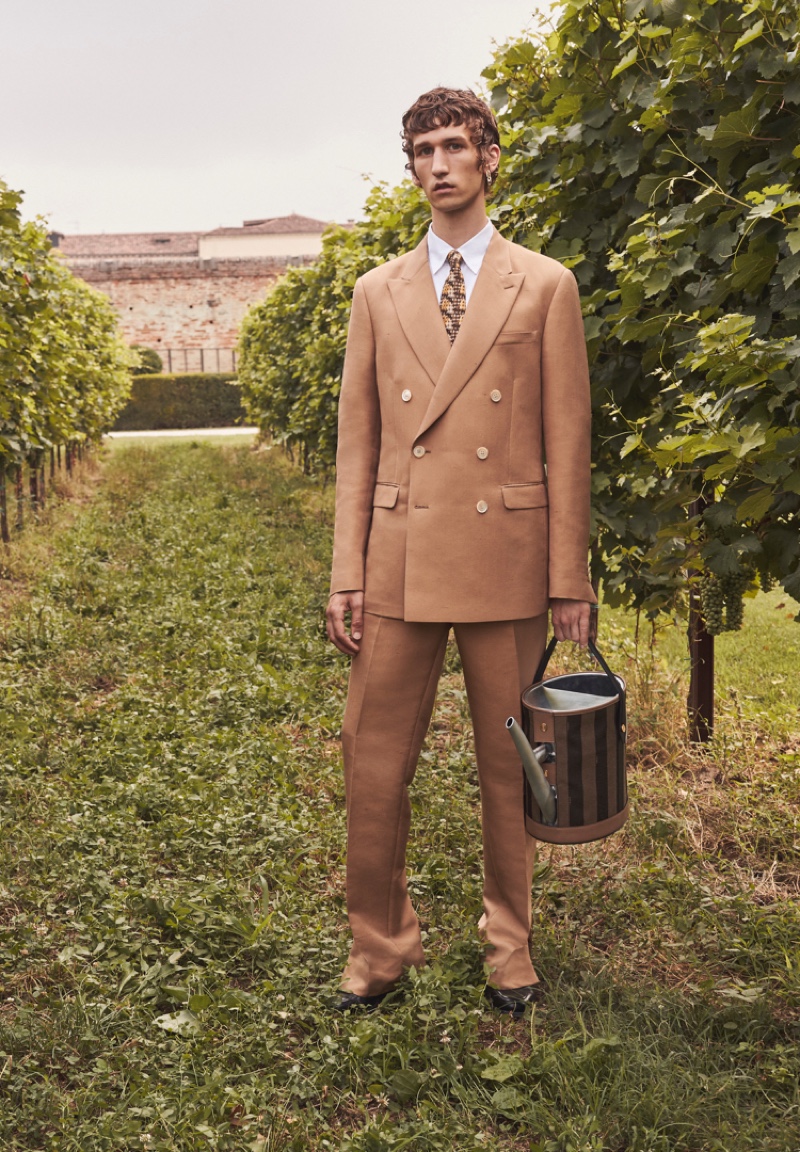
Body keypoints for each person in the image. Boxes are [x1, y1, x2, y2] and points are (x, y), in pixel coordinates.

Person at [326, 87, 595, 1016]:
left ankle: (508, 946)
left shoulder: (546, 284)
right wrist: (346, 574)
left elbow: (569, 442)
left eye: (453, 145)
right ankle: (378, 948)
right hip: (399, 558)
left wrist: (571, 580)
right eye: (421, 151)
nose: (437, 164)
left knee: (509, 763)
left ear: (488, 157)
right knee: (372, 762)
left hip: (507, 558)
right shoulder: (376, 291)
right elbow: (356, 444)